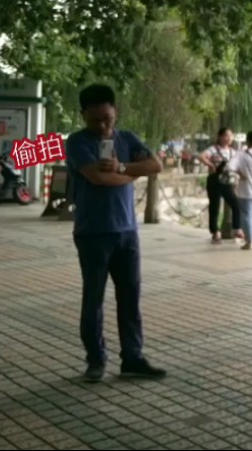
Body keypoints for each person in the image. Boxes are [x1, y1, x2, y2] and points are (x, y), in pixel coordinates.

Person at [65, 83, 167, 383]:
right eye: (94, 119)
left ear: (115, 112)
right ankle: (95, 359)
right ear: (83, 115)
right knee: (93, 298)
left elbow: (156, 165)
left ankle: (132, 358)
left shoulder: (127, 138)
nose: (101, 125)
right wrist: (131, 173)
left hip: (126, 232)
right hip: (92, 233)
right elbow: (97, 178)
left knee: (130, 296)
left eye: (107, 119)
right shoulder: (77, 142)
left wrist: (122, 167)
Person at [198, 128, 243, 244]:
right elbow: (201, 156)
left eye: (231, 136)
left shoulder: (233, 152)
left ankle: (237, 228)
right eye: (226, 136)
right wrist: (210, 164)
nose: (229, 138)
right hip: (214, 181)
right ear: (220, 137)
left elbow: (238, 165)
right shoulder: (213, 149)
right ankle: (215, 232)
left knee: (236, 204)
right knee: (215, 207)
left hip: (227, 182)